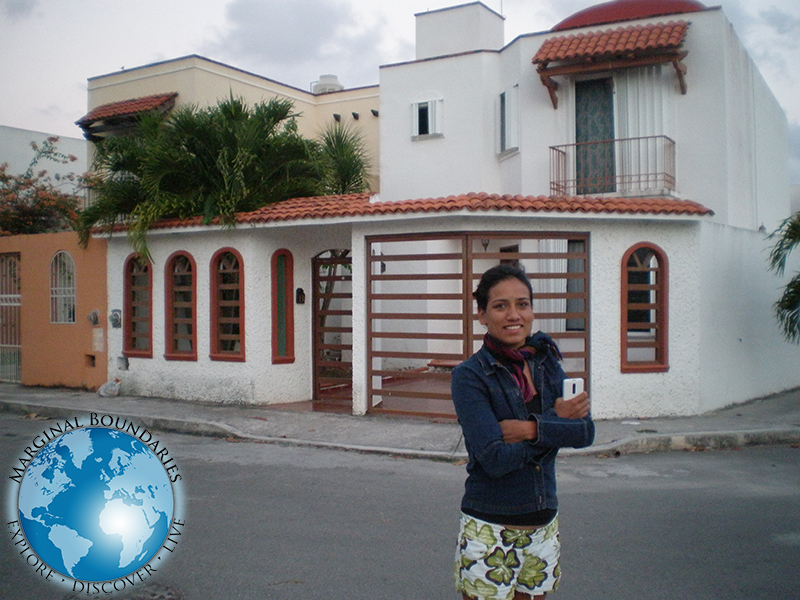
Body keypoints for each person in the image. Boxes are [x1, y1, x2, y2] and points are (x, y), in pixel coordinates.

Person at [452, 264, 594, 600]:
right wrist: (556, 426)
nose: (514, 314)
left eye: (523, 304)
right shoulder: (470, 376)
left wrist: (532, 428)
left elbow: (585, 432)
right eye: (500, 306)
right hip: (490, 527)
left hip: (544, 526)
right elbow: (495, 459)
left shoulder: (546, 362)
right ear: (482, 314)